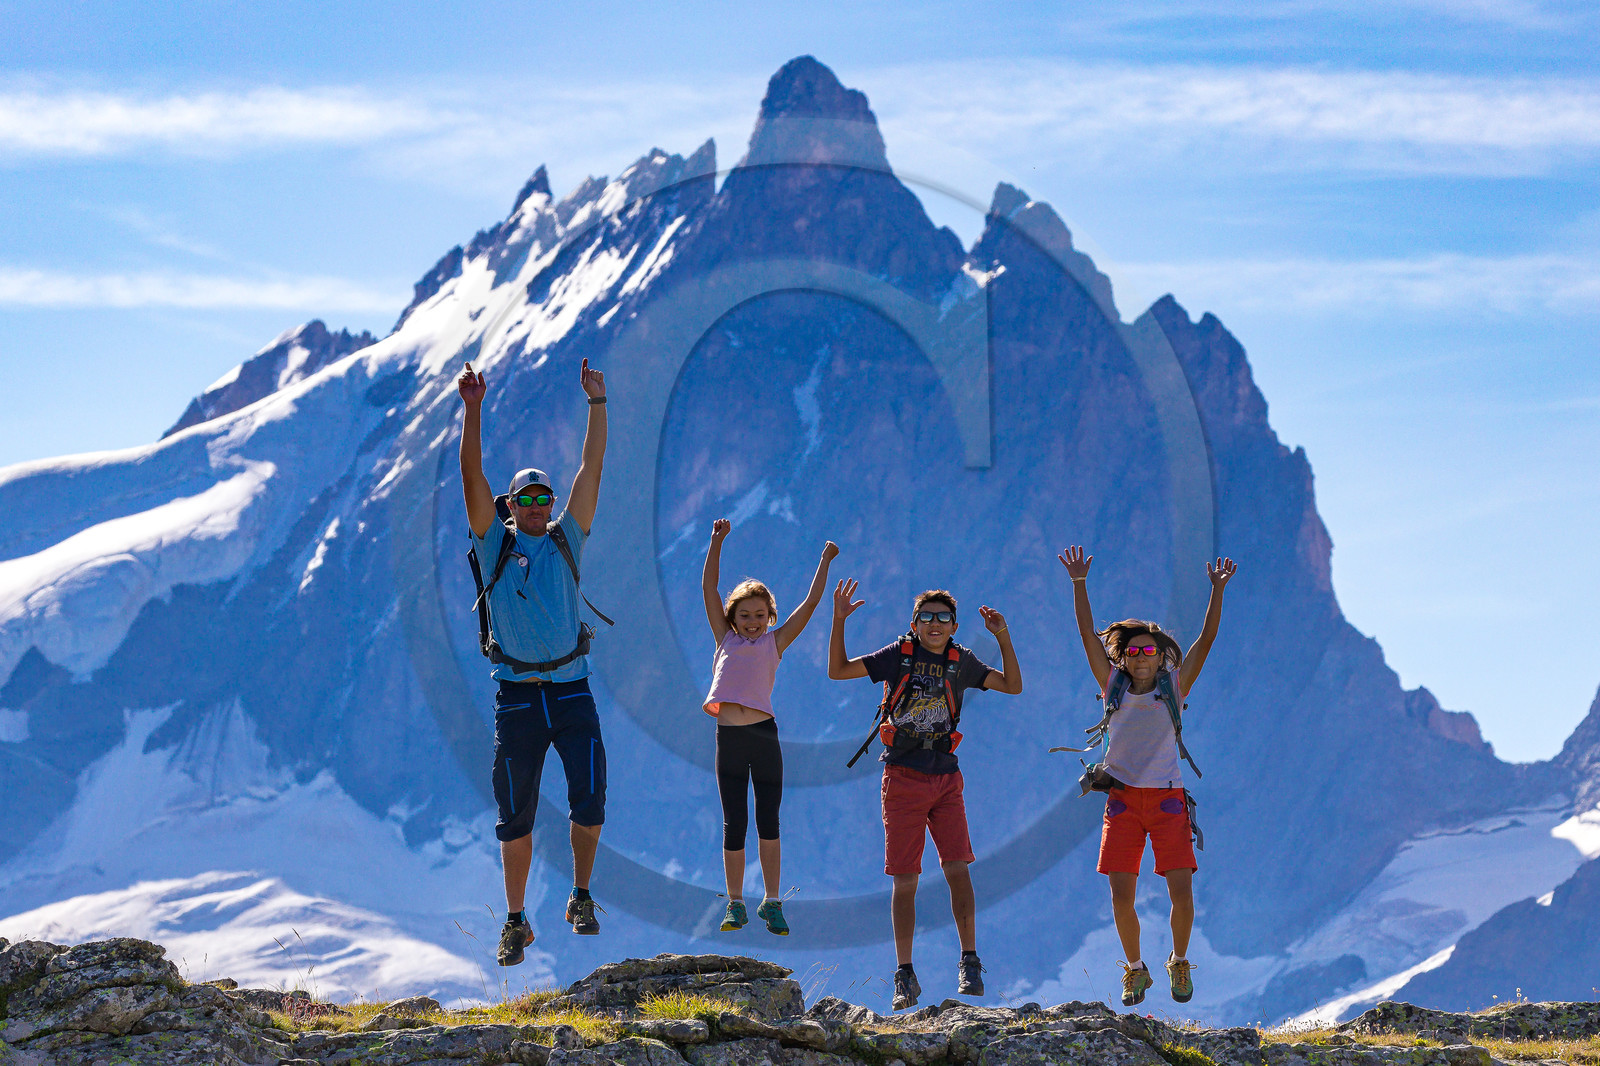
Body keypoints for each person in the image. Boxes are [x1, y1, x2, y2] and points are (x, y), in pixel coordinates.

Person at [457, 358, 609, 967]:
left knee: (591, 796)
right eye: (527, 499)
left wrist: (597, 405)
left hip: (572, 692)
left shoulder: (569, 539)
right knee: (514, 814)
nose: (541, 506)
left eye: (545, 497)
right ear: (510, 506)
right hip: (518, 696)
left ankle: (580, 898)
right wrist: (473, 410)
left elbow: (590, 471)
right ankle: (516, 922)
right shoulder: (493, 543)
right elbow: (472, 474)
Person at [828, 582, 1022, 1011]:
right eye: (927, 617)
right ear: (913, 624)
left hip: (946, 777)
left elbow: (1013, 685)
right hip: (902, 776)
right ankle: (905, 975)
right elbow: (838, 670)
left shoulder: (963, 662)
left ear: (954, 626)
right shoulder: (898, 655)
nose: (935, 624)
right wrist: (839, 620)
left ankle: (969, 961)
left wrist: (1002, 637)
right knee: (906, 879)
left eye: (943, 618)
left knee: (957, 867)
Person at [1057, 544, 1236, 1007]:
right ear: (1124, 656)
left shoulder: (1174, 688)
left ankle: (1178, 961)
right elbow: (1085, 634)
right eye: (1134, 651)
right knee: (1120, 896)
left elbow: (1207, 639)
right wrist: (1079, 583)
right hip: (1122, 801)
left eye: (1149, 652)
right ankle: (1136, 970)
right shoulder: (1110, 684)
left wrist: (1216, 591)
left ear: (1161, 659)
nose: (1140, 657)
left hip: (1168, 800)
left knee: (1181, 890)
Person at [700, 519, 839, 935]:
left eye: (761, 615)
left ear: (770, 616)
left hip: (764, 737)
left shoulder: (774, 643)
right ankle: (736, 903)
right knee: (734, 821)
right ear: (733, 617)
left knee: (769, 820)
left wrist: (825, 560)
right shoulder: (724, 639)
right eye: (745, 615)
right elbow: (708, 589)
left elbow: (811, 606)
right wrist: (716, 543)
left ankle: (772, 902)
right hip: (730, 738)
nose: (753, 621)